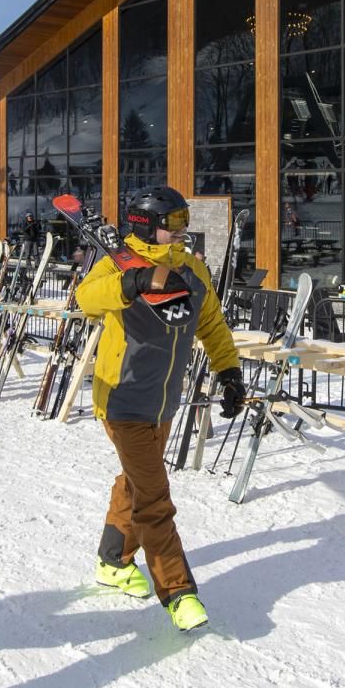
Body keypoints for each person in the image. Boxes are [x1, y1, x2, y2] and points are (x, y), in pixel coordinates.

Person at [74, 186, 244, 632]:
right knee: (154, 497)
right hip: (123, 397)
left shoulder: (191, 268)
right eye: (173, 223)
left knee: (135, 483)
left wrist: (229, 371)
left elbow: (211, 323)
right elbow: (86, 299)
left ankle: (113, 561)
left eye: (185, 221)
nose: (182, 230)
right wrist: (130, 283)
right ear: (146, 225)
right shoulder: (117, 264)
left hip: (164, 401)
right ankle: (178, 591)